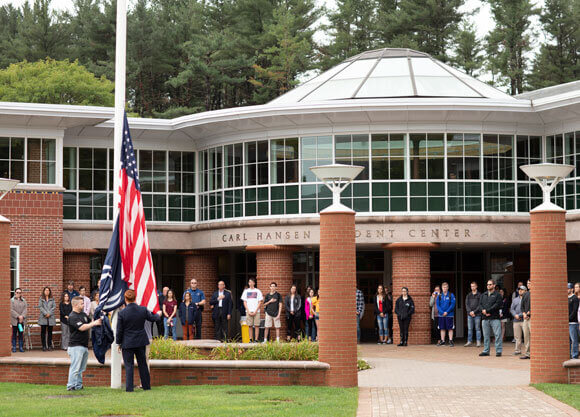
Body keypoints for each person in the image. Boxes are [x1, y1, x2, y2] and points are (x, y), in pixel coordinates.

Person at [116, 289, 162, 392]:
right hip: (141, 341)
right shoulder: (143, 310)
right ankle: (146, 386)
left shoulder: (122, 313)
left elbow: (119, 330)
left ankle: (129, 388)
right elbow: (153, 318)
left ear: (125, 299)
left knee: (129, 366)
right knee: (143, 365)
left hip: (127, 342)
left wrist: (118, 343)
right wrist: (158, 314)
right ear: (135, 298)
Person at [66, 296, 102, 391]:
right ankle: (71, 386)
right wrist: (94, 324)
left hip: (84, 345)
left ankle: (78, 385)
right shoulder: (72, 316)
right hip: (75, 346)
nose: (83, 305)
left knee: (81, 368)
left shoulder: (83, 315)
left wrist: (100, 318)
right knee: (75, 367)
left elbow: (91, 322)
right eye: (82, 303)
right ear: (76, 305)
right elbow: (82, 327)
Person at [479, 279, 503, 357]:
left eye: (490, 284)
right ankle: (486, 351)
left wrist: (488, 311)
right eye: (487, 284)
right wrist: (483, 311)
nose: (488, 286)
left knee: (498, 335)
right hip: (485, 318)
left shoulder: (498, 295)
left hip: (495, 318)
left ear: (494, 285)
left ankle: (498, 351)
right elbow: (480, 305)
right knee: (486, 335)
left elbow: (497, 305)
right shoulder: (483, 295)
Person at [241, 278, 263, 342]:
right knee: (250, 326)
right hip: (248, 311)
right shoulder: (246, 291)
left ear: (254, 283)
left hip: (257, 311)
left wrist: (256, 311)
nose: (250, 283)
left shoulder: (258, 291)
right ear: (248, 283)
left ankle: (256, 339)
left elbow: (260, 302)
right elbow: (244, 302)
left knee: (256, 325)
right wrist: (248, 311)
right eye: (249, 282)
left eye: (252, 282)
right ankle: (250, 339)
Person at [436, 282, 456, 347]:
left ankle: (450, 340)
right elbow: (437, 305)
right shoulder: (439, 296)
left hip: (449, 314)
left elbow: (452, 304)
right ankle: (443, 341)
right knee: (442, 328)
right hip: (441, 315)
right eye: (444, 287)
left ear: (448, 288)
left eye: (446, 287)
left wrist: (447, 312)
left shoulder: (451, 295)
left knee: (450, 328)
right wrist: (442, 312)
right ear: (442, 288)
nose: (445, 288)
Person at [38, 286, 56, 351]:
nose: (47, 291)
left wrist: (49, 313)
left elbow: (54, 307)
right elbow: (40, 307)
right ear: (44, 291)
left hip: (50, 318)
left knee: (50, 333)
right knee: (43, 332)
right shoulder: (41, 299)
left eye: (48, 290)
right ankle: (44, 346)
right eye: (46, 290)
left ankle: (49, 345)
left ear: (49, 292)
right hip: (43, 317)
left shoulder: (52, 299)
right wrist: (45, 313)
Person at [464, 282, 482, 347]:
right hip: (470, 315)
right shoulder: (468, 295)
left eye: (474, 286)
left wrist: (474, 312)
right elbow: (466, 304)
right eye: (471, 286)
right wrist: (470, 312)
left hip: (477, 314)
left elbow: (480, 305)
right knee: (470, 328)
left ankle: (478, 342)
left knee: (477, 328)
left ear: (476, 286)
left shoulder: (480, 295)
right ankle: (469, 341)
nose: (472, 288)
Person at [510, 285, 526, 355]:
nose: (520, 291)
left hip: (524, 320)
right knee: (517, 337)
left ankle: (528, 351)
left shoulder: (527, 299)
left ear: (525, 291)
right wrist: (515, 315)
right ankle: (517, 350)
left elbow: (527, 309)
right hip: (516, 321)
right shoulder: (515, 300)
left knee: (526, 336)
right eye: (519, 289)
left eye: (522, 289)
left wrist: (519, 315)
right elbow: (512, 309)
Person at [10, 288, 27, 353]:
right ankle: (14, 347)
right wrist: (18, 316)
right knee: (14, 334)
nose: (18, 294)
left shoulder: (24, 301)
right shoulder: (12, 300)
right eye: (17, 292)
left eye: (20, 292)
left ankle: (20, 347)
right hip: (15, 320)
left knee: (20, 334)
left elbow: (25, 309)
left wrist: (22, 316)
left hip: (21, 321)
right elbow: (11, 310)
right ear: (15, 293)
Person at [520, 279, 531, 359]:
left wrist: (529, 313)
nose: (528, 284)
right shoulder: (525, 294)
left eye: (530, 283)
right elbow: (522, 306)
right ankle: (527, 353)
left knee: (533, 336)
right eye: (527, 283)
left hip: (532, 318)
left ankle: (534, 353)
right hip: (525, 318)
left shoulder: (536, 293)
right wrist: (524, 313)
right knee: (526, 336)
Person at [568, 282, 579, 359]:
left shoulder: (575, 298)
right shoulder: (566, 298)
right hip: (567, 323)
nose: (567, 290)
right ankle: (568, 354)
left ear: (572, 289)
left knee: (574, 340)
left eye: (568, 288)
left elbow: (575, 311)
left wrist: (568, 318)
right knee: (568, 341)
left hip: (573, 323)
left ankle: (574, 355)